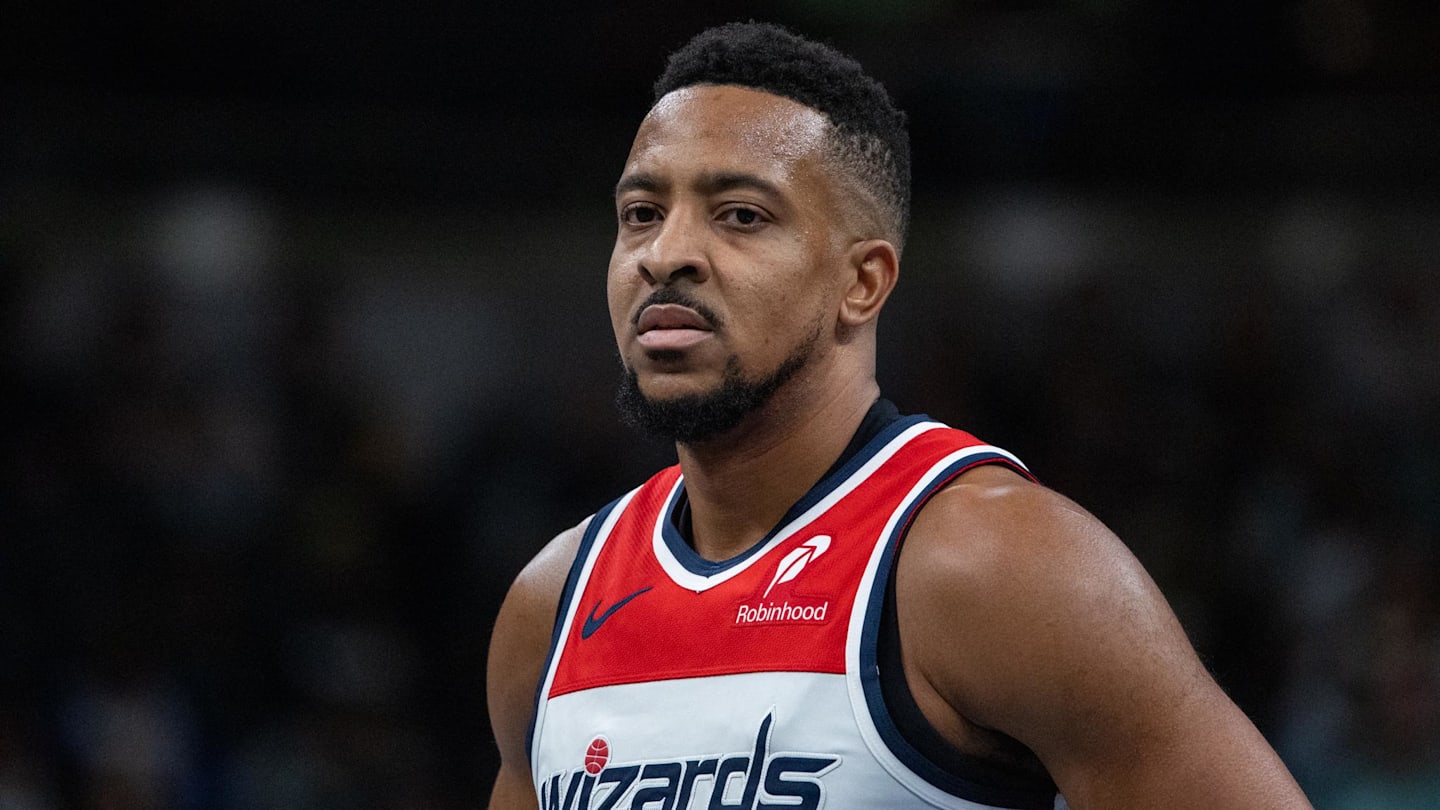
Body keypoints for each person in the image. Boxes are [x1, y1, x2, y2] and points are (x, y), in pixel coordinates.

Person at [487, 21, 1311, 810]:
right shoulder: (551, 604)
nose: (666, 254)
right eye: (641, 213)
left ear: (864, 282)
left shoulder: (995, 565)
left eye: (740, 215)